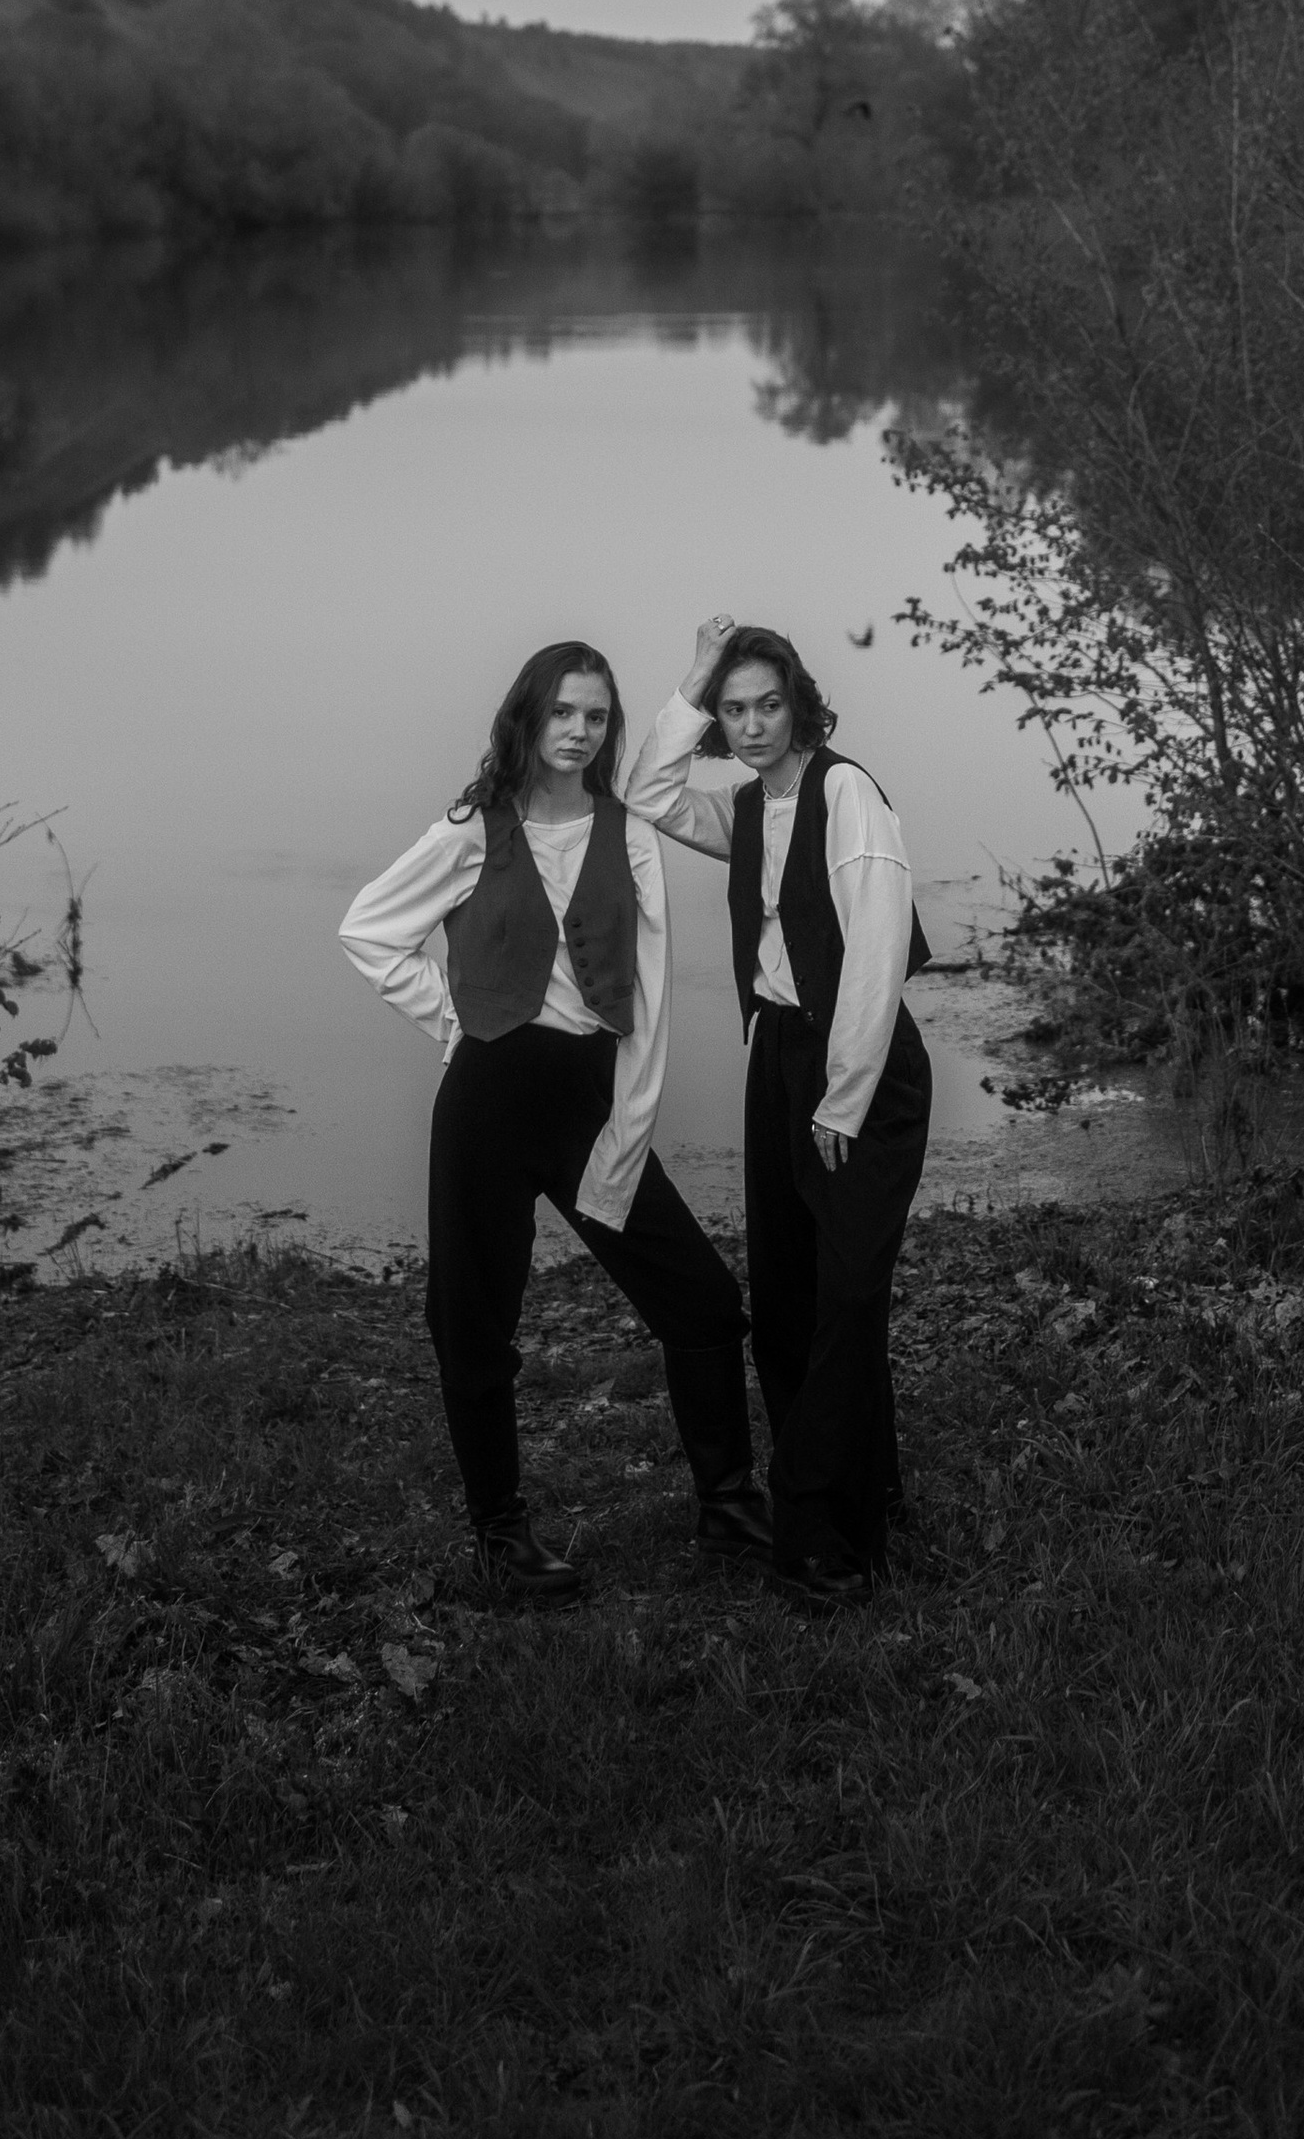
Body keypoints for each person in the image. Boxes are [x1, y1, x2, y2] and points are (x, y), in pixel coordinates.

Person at [338, 639, 772, 1601]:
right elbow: (369, 929)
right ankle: (501, 1535)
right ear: (527, 719)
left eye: (598, 716)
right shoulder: (469, 828)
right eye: (564, 713)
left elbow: (651, 999)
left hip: (588, 1096)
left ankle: (732, 1508)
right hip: (488, 1096)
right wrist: (453, 1019)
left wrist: (630, 1124)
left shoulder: (632, 833)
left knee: (702, 1305)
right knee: (473, 1326)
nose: (580, 732)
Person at [627, 615, 932, 1610]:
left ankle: (815, 1532)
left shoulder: (847, 795)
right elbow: (648, 792)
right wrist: (695, 670)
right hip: (781, 1064)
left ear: (798, 702)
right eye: (732, 708)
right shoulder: (751, 808)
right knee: (791, 1300)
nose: (751, 725)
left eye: (766, 704)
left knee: (846, 1303)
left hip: (863, 1072)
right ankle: (865, 1500)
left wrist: (842, 1103)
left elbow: (878, 953)